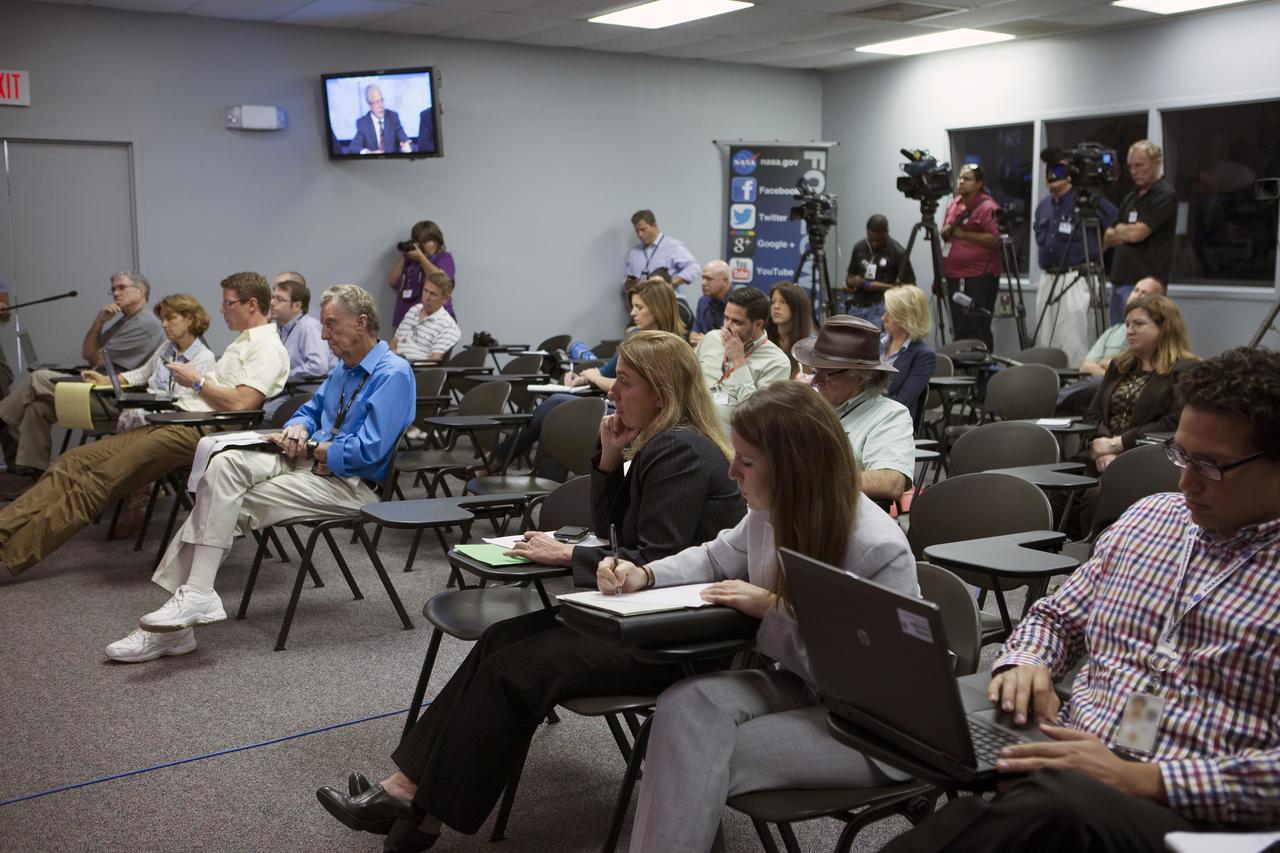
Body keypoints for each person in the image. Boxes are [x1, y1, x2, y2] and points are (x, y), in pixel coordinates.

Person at [314, 331, 746, 851]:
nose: (612, 393)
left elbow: (655, 560)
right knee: (500, 639)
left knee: (513, 669)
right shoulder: (657, 441)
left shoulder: (678, 447)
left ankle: (416, 806)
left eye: (625, 384)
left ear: (662, 392)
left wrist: (568, 555)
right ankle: (408, 798)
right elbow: (619, 538)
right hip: (642, 614)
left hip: (677, 638)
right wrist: (608, 460)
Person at [880, 346, 1280, 853]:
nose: (1184, 481)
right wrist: (1028, 662)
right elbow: (1055, 616)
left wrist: (1149, 779)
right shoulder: (1151, 519)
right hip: (1071, 763)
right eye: (1179, 455)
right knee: (952, 748)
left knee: (1047, 808)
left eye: (1211, 466)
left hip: (1199, 816)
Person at [627, 382, 919, 851]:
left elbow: (864, 679)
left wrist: (772, 610)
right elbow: (715, 557)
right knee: (683, 706)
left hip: (878, 727)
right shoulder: (772, 508)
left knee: (690, 760)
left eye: (746, 460)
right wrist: (643, 574)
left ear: (792, 468)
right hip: (806, 684)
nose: (730, 471)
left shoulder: (876, 547)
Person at [105, 285, 414, 663]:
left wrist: (314, 447)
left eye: (331, 325)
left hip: (350, 485)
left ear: (361, 323)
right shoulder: (344, 369)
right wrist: (299, 428)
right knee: (224, 465)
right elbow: (310, 411)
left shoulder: (393, 373)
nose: (322, 334)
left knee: (222, 502)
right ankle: (194, 600)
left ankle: (176, 627)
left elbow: (370, 451)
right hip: (309, 462)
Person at [0, 272, 289, 575]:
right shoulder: (243, 342)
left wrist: (197, 381)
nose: (222, 309)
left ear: (252, 304)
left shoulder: (267, 347)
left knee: (98, 480)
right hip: (180, 420)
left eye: (228, 303)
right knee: (70, 461)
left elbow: (243, 404)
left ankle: (11, 554)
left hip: (203, 431)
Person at [479, 278, 685, 480]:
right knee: (557, 414)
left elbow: (641, 390)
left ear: (658, 308)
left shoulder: (671, 347)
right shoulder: (633, 339)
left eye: (639, 307)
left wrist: (596, 378)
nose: (632, 313)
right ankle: (544, 486)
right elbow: (605, 372)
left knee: (557, 404)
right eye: (633, 307)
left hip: (639, 415)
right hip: (615, 405)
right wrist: (581, 379)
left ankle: (499, 460)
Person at [0, 270, 164, 487]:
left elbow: (96, 357)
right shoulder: (125, 321)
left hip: (114, 399)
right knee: (37, 408)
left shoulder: (145, 324)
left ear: (141, 291)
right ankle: (36, 479)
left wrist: (97, 351)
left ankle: (1, 418)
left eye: (121, 287)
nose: (115, 293)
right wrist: (99, 323)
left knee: (38, 378)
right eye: (113, 288)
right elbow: (88, 354)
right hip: (96, 391)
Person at [79, 293, 218, 537]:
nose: (163, 324)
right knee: (135, 415)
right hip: (151, 415)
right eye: (162, 319)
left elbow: (188, 402)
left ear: (189, 319)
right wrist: (106, 380)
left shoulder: (204, 358)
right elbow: (141, 374)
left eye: (169, 318)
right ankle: (137, 491)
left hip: (174, 420)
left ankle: (137, 498)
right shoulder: (166, 348)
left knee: (136, 418)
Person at [793, 315, 915, 505]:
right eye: (815, 371)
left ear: (861, 377)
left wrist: (812, 481)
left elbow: (891, 482)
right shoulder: (810, 406)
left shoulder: (889, 415)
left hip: (846, 519)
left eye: (827, 375)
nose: (815, 381)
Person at [1085, 293, 1198, 475]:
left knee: (1095, 497)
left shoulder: (1185, 370)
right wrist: (1102, 447)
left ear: (1164, 328)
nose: (1129, 330)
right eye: (1127, 324)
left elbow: (1174, 421)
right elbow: (1093, 413)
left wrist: (1118, 444)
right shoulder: (1119, 366)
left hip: (1148, 459)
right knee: (1055, 492)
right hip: (1101, 456)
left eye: (1138, 324)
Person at [1032, 150, 1118, 366]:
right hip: (1048, 278)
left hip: (1076, 277)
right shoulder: (1044, 205)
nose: (1052, 174)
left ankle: (1073, 391)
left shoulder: (1087, 201)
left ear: (1070, 173)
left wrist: (1099, 250)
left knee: (1073, 340)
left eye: (1058, 168)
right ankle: (1049, 386)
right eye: (1049, 169)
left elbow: (1116, 225)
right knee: (1046, 338)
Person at [694, 286, 791, 434]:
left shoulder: (777, 362)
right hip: (693, 428)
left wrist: (739, 361)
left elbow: (758, 418)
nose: (727, 327)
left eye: (737, 322)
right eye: (726, 318)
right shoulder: (711, 338)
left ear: (758, 324)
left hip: (733, 440)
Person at [1104, 140, 1178, 324]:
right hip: (1119, 281)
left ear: (1157, 162)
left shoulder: (1164, 195)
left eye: (1139, 165)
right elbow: (1108, 236)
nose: (1134, 171)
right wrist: (1124, 231)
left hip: (1145, 286)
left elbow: (1137, 234)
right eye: (1130, 167)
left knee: (1139, 342)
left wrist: (1123, 230)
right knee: (1116, 341)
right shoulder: (1131, 197)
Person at [941, 165, 1003, 350]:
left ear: (979, 183)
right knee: (959, 326)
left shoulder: (988, 207)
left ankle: (981, 372)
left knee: (977, 326)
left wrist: (964, 235)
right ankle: (962, 374)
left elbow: (995, 239)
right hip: (954, 275)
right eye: (960, 178)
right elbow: (948, 234)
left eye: (967, 179)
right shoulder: (954, 203)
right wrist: (945, 232)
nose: (961, 182)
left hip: (979, 276)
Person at [1079, 277, 1165, 377]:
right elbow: (1085, 367)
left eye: (1145, 293)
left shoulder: (1155, 332)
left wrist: (1110, 366)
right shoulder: (1112, 332)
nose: (1137, 295)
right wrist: (1112, 374)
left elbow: (1138, 370)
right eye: (1136, 290)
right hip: (1098, 386)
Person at [844, 214, 916, 329]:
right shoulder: (859, 247)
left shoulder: (898, 252)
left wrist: (882, 286)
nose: (874, 244)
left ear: (886, 232)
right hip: (857, 307)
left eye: (878, 240)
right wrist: (853, 281)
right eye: (871, 239)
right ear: (867, 232)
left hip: (881, 309)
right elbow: (849, 278)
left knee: (876, 345)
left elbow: (910, 287)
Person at [881, 285, 937, 427]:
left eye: (890, 313)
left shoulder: (923, 356)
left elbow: (902, 402)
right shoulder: (873, 343)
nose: (883, 318)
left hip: (892, 425)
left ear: (907, 318)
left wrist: (862, 401)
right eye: (884, 312)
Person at [623, 209, 700, 311]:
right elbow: (626, 280)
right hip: (642, 307)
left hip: (666, 306)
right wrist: (630, 284)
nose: (640, 234)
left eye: (643, 229)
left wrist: (669, 283)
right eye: (637, 231)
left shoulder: (673, 246)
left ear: (654, 226)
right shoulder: (634, 253)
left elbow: (694, 268)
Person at [271, 272, 336, 382]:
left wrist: (284, 377)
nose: (272, 303)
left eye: (279, 299)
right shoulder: (279, 327)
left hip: (303, 392)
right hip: (288, 390)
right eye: (272, 297)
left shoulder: (309, 326)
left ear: (296, 306)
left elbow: (318, 366)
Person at [388, 221, 457, 325]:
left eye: (424, 242)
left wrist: (421, 258)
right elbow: (392, 280)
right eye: (417, 241)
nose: (421, 245)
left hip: (435, 320)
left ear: (436, 242)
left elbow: (440, 280)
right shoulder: (410, 260)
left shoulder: (444, 258)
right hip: (408, 319)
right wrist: (404, 257)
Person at [390, 273, 460, 363]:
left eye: (433, 294)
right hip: (395, 366)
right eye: (425, 291)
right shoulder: (414, 310)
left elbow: (433, 363)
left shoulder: (447, 325)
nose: (427, 297)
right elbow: (393, 343)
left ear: (445, 299)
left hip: (418, 372)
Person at [765, 281, 814, 379]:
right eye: (773, 301)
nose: (776, 306)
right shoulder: (764, 340)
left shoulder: (808, 348)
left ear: (796, 307)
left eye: (783, 302)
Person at [346, 84, 411, 155]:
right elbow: (353, 147)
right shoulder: (363, 123)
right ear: (370, 105)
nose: (381, 105)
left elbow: (404, 138)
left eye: (382, 100)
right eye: (377, 102)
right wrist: (369, 152)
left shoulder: (393, 117)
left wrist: (406, 146)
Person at [690, 259, 734, 346]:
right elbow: (693, 336)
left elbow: (736, 341)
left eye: (709, 279)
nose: (703, 283)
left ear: (725, 281)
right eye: (703, 278)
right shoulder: (703, 301)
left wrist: (706, 341)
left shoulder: (740, 303)